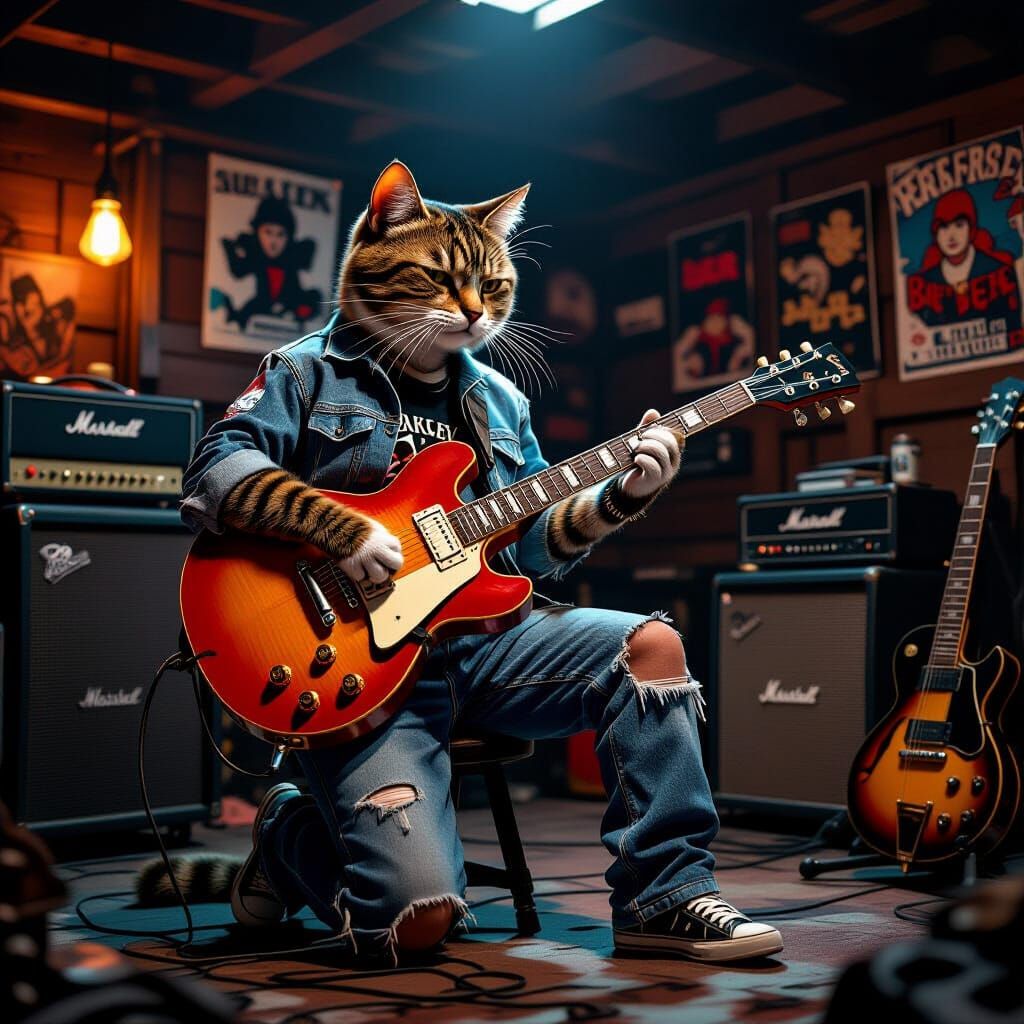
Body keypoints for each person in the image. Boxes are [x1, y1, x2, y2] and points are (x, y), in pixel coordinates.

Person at [178, 160, 783, 969]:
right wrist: (336, 530)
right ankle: (291, 829)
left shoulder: (502, 401)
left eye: (490, 288)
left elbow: (530, 552)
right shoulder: (305, 371)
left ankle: (664, 897)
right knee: (415, 925)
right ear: (376, 245)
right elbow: (215, 472)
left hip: (487, 646)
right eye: (442, 282)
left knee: (651, 647)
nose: (471, 307)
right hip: (365, 672)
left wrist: (623, 494)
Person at [218, 196, 322, 330]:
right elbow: (238, 271)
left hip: (290, 301)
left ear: (288, 236)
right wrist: (229, 250)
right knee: (248, 312)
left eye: (280, 234)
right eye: (268, 232)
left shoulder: (292, 257)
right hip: (263, 301)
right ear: (257, 232)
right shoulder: (257, 258)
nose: (273, 241)